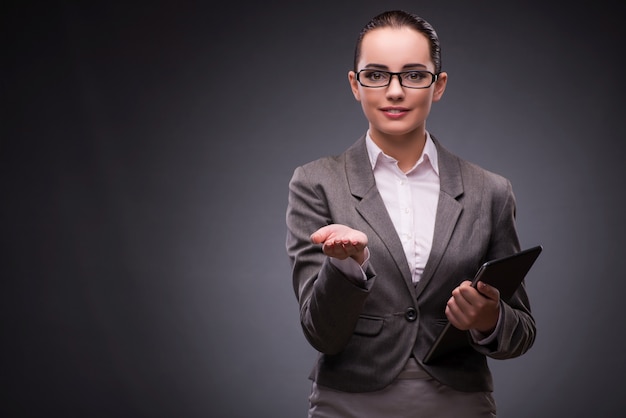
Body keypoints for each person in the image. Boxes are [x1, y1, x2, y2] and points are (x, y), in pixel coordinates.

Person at [285, 10, 535, 418]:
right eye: (377, 75)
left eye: (415, 75)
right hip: (347, 404)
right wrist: (349, 268)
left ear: (438, 86)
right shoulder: (316, 182)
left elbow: (522, 332)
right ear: (355, 84)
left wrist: (490, 318)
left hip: (461, 403)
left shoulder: (490, 191)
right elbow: (321, 334)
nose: (395, 91)